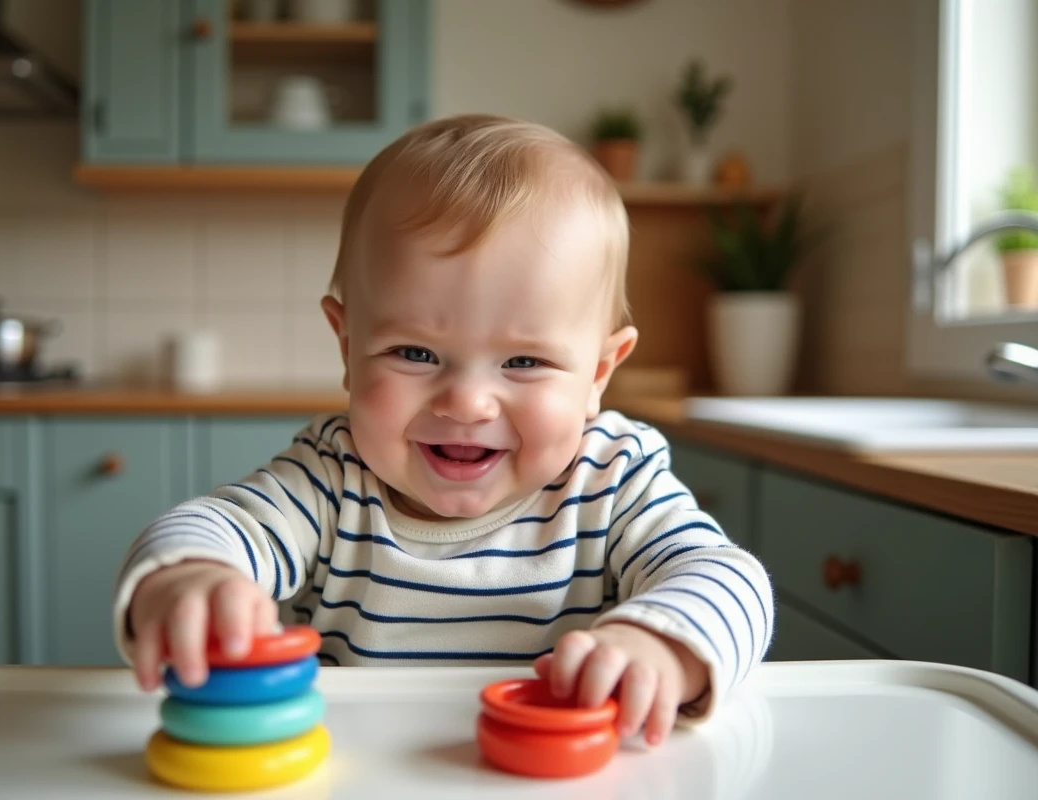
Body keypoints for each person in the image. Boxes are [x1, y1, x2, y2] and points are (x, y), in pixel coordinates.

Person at [113, 114, 774, 748]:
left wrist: (659, 643)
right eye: (415, 353)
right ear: (348, 346)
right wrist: (189, 578)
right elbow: (217, 525)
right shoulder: (333, 477)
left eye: (524, 362)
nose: (466, 403)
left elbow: (729, 579)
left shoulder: (613, 479)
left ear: (599, 373)